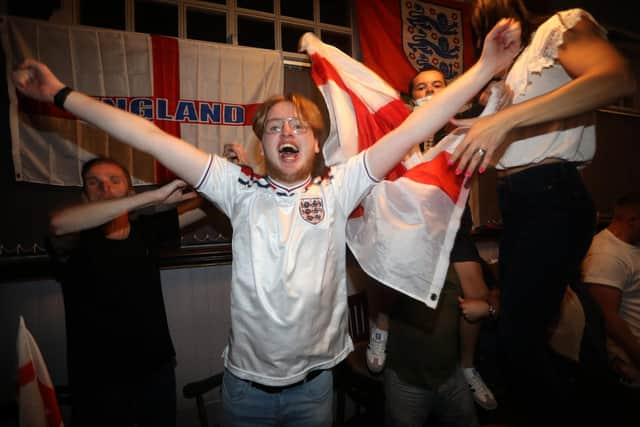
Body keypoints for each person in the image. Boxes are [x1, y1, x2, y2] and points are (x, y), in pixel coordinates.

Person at [13, 19, 520, 425]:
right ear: (264, 143)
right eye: (274, 125)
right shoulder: (238, 191)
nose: (286, 130)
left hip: (317, 390)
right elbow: (147, 135)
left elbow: (417, 124)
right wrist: (61, 93)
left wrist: (482, 69)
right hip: (246, 393)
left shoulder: (340, 186)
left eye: (297, 124)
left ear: (315, 143)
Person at [448, 1, 636, 425]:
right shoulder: (514, 73)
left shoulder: (560, 26)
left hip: (551, 197)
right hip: (521, 201)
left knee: (518, 344)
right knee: (525, 339)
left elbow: (614, 77)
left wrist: (506, 117)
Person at [366, 67, 501, 411]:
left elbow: (492, 115)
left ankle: (468, 367)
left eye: (437, 86)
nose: (429, 91)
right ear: (412, 96)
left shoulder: (458, 123)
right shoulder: (400, 124)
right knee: (382, 269)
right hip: (407, 219)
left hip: (451, 219)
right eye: (421, 87)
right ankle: (380, 330)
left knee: (476, 294)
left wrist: (493, 97)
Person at [47, 157, 207, 427]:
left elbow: (209, 208)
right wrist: (151, 199)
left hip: (155, 368)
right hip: (97, 378)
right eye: (94, 183)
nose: (105, 188)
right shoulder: (74, 239)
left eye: (114, 181)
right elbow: (57, 225)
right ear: (84, 197)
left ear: (129, 192)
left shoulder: (146, 231)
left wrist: (224, 179)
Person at [383, 193, 490, 427]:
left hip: (452, 377)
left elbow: (495, 301)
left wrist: (488, 308)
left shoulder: (462, 261)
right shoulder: (400, 253)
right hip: (406, 379)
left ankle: (469, 367)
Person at [582, 192, 640, 424]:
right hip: (631, 366)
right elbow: (607, 317)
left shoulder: (631, 246)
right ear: (633, 220)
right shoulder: (607, 254)